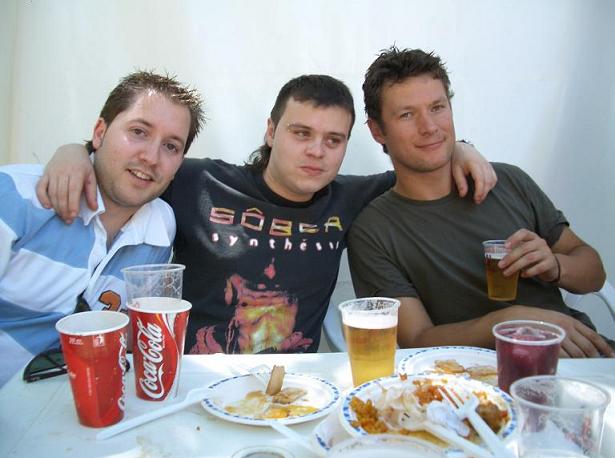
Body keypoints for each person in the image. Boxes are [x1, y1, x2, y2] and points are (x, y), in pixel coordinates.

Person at [36, 74, 496, 355]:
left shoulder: (352, 197)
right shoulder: (197, 181)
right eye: (301, 133)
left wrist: (460, 146)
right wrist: (75, 150)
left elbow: (420, 166)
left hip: (292, 392)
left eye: (333, 140)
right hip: (190, 381)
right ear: (272, 131)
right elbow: (132, 165)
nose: (316, 151)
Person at [348, 46, 614, 358]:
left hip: (580, 358)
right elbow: (416, 340)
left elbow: (594, 274)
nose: (429, 127)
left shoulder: (509, 181)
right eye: (407, 114)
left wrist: (556, 266)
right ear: (378, 131)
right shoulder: (373, 231)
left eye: (437, 107)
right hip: (473, 374)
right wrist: (508, 322)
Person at [0, 71, 205, 386]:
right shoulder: (15, 197)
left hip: (86, 404)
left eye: (171, 146)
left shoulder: (160, 225)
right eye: (138, 132)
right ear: (99, 132)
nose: (151, 157)